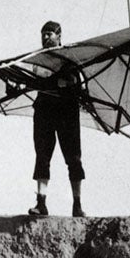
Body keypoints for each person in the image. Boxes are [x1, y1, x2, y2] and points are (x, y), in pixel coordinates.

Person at [28, 20, 86, 217]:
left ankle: (77, 204)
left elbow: (77, 83)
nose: (45, 37)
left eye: (49, 34)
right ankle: (41, 203)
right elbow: (35, 82)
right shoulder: (37, 60)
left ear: (59, 36)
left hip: (66, 111)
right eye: (43, 34)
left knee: (73, 157)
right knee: (42, 156)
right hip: (44, 110)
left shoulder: (69, 57)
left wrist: (64, 81)